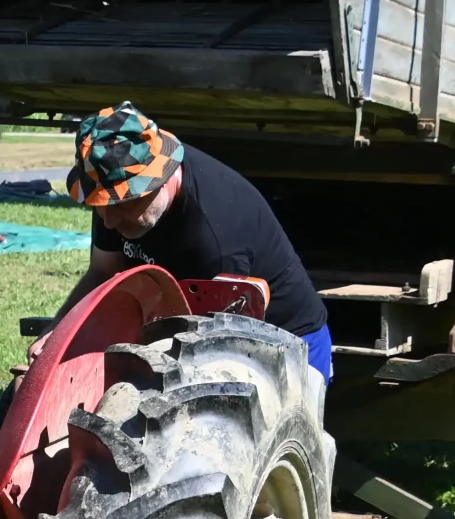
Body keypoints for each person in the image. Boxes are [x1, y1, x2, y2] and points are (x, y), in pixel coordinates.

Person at [52, 102, 331, 378]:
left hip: (286, 346)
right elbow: (102, 271)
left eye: (122, 205)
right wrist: (57, 340)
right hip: (195, 322)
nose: (108, 222)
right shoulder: (113, 198)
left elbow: (218, 353)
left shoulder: (214, 238)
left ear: (160, 178)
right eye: (99, 205)